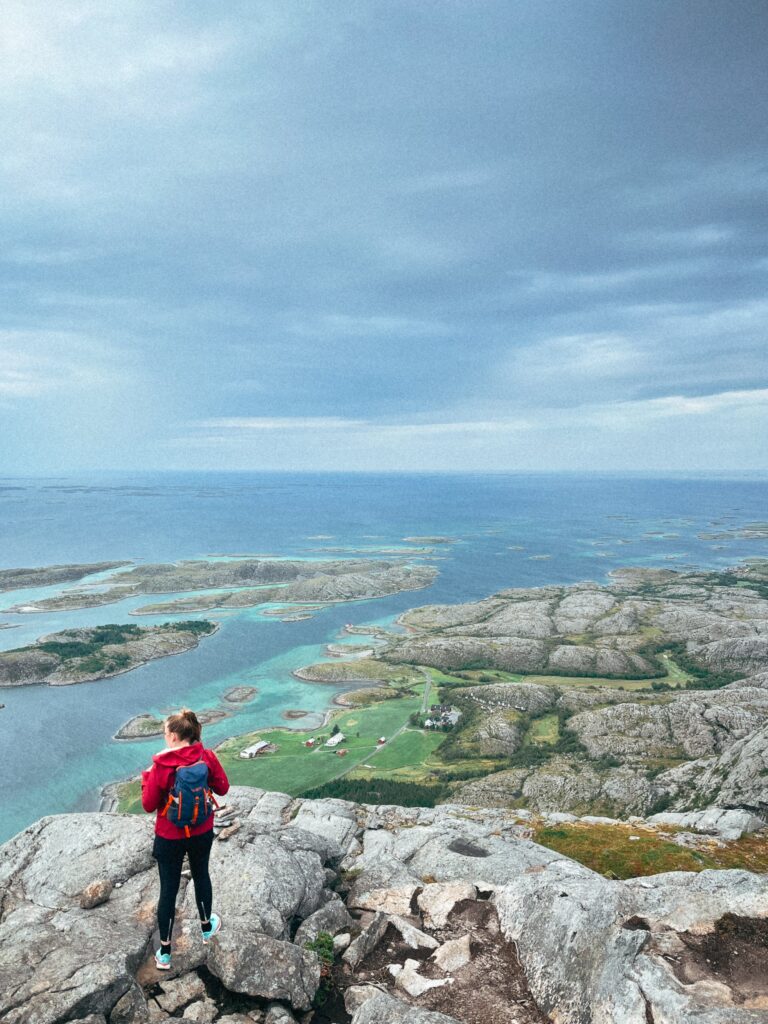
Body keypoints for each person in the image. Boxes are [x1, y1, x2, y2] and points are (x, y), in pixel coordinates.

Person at [141, 708, 230, 970]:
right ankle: (206, 930)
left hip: (169, 836)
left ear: (175, 736)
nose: (164, 737)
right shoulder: (206, 756)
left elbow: (148, 805)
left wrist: (147, 778)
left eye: (166, 733)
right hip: (201, 831)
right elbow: (222, 788)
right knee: (201, 875)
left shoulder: (161, 765)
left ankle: (165, 953)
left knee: (168, 888)